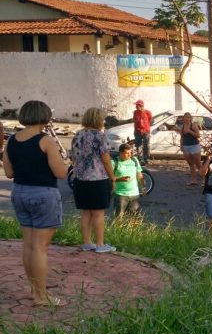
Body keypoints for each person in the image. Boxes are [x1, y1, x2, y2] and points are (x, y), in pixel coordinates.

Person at [2, 100, 69, 307]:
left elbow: (9, 173)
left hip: (20, 192)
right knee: (40, 248)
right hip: (43, 194)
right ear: (45, 116)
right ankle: (42, 296)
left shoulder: (12, 140)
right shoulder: (46, 140)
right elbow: (60, 172)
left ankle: (34, 290)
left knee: (29, 245)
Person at [72, 107, 117, 253]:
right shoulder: (100, 136)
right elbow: (105, 159)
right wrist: (112, 177)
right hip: (97, 178)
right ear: (98, 119)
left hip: (80, 178)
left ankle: (86, 242)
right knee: (98, 212)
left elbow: (74, 156)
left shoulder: (77, 135)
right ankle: (100, 244)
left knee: (85, 212)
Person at [112, 143, 145, 217]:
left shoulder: (134, 160)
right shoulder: (114, 162)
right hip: (120, 194)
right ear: (120, 153)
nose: (130, 155)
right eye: (127, 153)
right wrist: (120, 179)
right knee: (118, 218)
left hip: (134, 194)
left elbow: (139, 174)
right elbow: (109, 178)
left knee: (135, 219)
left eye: (131, 152)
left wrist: (143, 187)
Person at [177, 113, 202, 185]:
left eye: (188, 117)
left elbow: (198, 135)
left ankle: (203, 179)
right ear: (183, 118)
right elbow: (182, 137)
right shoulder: (183, 126)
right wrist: (181, 145)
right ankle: (193, 180)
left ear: (190, 118)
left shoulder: (193, 125)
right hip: (186, 146)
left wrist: (189, 131)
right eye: (185, 117)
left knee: (198, 164)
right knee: (191, 164)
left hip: (194, 146)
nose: (187, 119)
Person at [132, 100, 152, 165]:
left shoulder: (148, 112)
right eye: (136, 105)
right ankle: (140, 159)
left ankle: (146, 159)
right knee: (138, 145)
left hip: (146, 131)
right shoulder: (135, 112)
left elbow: (149, 119)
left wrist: (145, 128)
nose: (136, 107)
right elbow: (135, 121)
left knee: (146, 145)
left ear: (141, 106)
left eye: (138, 105)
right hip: (138, 131)